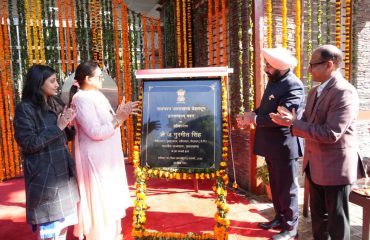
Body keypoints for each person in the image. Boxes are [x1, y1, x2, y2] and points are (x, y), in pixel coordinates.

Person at [270, 44, 366, 240]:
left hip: (335, 168)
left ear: (329, 65)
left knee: (337, 223)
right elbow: (305, 121)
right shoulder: (315, 91)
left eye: (313, 65)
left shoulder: (344, 92)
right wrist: (291, 120)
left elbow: (331, 133)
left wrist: (295, 123)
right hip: (314, 166)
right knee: (318, 221)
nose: (309, 69)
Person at [237, 47, 304, 240]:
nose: (266, 68)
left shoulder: (293, 85)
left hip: (284, 146)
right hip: (271, 145)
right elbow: (267, 107)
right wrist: (252, 114)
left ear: (279, 67)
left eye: (268, 66)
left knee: (287, 188)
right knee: (275, 185)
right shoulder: (275, 81)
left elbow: (280, 117)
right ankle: (280, 218)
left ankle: (291, 228)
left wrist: (255, 119)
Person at [68, 61, 139, 240]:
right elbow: (95, 132)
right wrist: (119, 119)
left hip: (106, 159)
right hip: (95, 161)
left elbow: (108, 122)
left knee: (110, 202)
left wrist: (119, 114)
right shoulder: (81, 98)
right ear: (87, 79)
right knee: (101, 206)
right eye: (99, 76)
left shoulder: (95, 94)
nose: (102, 78)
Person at [13, 65, 79, 240]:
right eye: (52, 81)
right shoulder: (25, 109)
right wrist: (58, 127)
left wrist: (69, 125)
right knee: (51, 232)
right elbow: (28, 143)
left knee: (63, 228)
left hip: (63, 175)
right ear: (38, 83)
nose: (57, 85)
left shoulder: (55, 102)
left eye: (56, 80)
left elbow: (63, 136)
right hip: (45, 178)